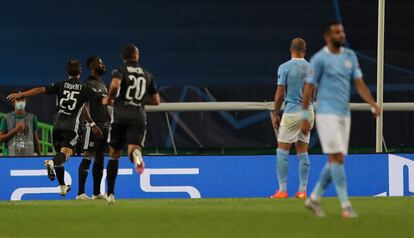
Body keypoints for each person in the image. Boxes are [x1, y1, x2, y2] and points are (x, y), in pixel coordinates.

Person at [300, 20, 380, 218]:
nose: (341, 34)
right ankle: (345, 206)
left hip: (345, 114)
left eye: (342, 31)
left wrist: (372, 103)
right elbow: (308, 88)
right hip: (327, 113)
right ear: (328, 36)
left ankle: (314, 198)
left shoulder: (350, 56)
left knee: (336, 159)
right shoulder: (319, 59)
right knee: (337, 158)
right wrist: (304, 116)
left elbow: (359, 82)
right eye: (337, 32)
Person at [7, 59, 103, 196]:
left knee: (60, 157)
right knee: (66, 154)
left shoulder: (61, 85)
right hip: (71, 127)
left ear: (67, 72)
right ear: (80, 72)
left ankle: (62, 186)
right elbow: (101, 100)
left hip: (57, 125)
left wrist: (22, 94)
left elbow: (41, 89)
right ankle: (51, 163)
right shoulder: (84, 88)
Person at [102, 43, 160, 204]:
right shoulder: (147, 75)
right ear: (136, 56)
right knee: (133, 147)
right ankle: (136, 156)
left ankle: (111, 194)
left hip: (120, 114)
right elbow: (156, 101)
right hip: (138, 116)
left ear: (123, 57)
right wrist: (139, 100)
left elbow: (114, 84)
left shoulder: (120, 71)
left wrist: (109, 99)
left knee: (114, 154)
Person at [270, 38, 314, 199]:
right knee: (302, 151)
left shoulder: (285, 67)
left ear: (291, 50)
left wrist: (275, 113)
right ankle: (302, 191)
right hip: (307, 111)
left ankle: (282, 190)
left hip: (292, 112)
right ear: (305, 50)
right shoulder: (311, 68)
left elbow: (280, 93)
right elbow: (313, 93)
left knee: (282, 150)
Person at [76, 56, 110, 200]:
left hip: (105, 126)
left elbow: (106, 106)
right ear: (92, 66)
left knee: (100, 159)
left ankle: (96, 193)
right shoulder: (87, 84)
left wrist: (109, 121)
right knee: (88, 156)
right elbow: (82, 106)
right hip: (93, 126)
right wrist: (92, 124)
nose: (103, 64)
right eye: (100, 62)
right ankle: (81, 193)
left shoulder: (103, 85)